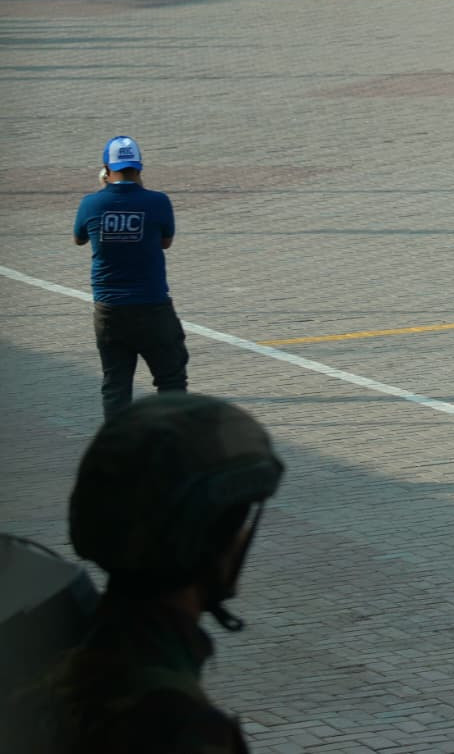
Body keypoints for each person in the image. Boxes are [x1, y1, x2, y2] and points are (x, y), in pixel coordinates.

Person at [22, 393, 284, 752]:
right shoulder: (179, 728)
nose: (241, 538)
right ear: (205, 542)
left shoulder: (46, 679)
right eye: (236, 522)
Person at [74, 138, 187, 420]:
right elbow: (166, 241)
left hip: (110, 311)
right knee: (171, 382)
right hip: (153, 308)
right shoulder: (158, 202)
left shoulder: (91, 204)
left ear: (106, 169)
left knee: (116, 385)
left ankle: (118, 451)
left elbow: (79, 238)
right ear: (139, 168)